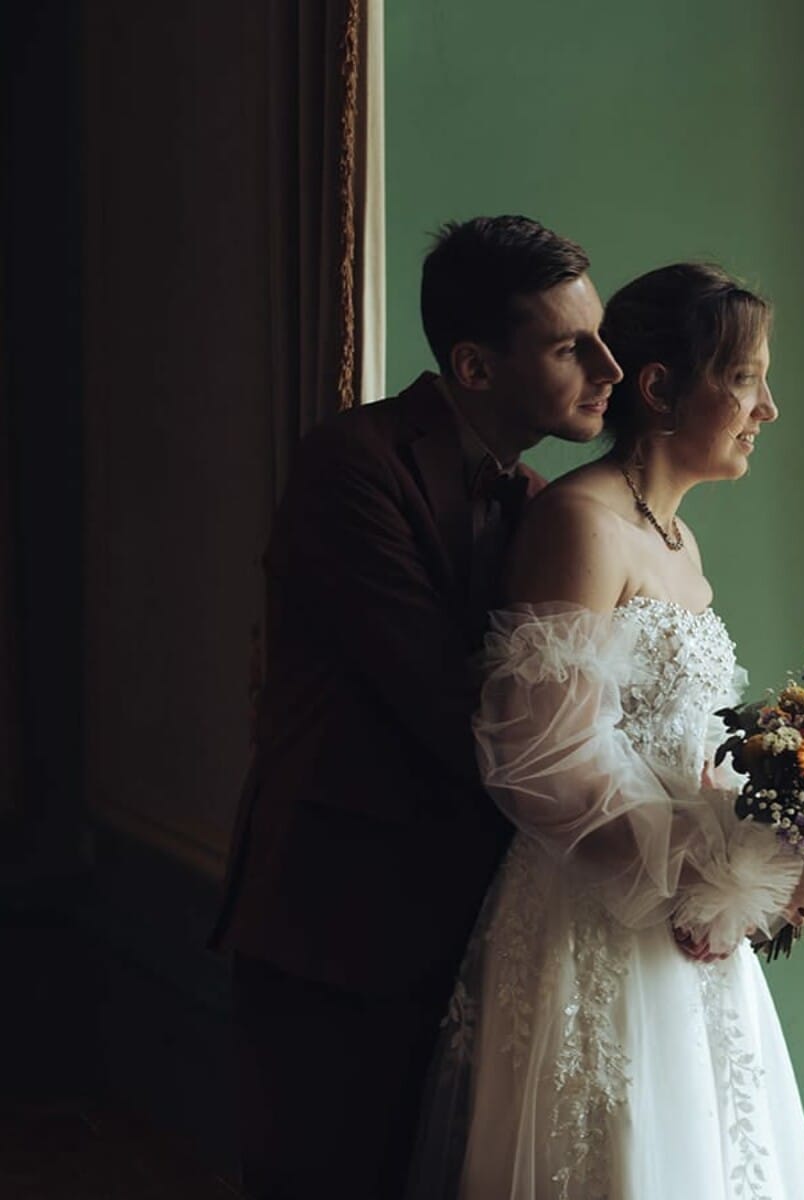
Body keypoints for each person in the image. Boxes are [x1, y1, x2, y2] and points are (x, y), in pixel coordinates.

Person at [208, 216, 624, 1199]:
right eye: (572, 346)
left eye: (601, 335)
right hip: (336, 922)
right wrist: (631, 834)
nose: (609, 364)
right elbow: (445, 702)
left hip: (472, 920)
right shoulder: (351, 465)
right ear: (475, 367)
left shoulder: (538, 500)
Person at [408, 263, 804, 1199]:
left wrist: (775, 839)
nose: (768, 408)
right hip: (595, 913)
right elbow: (540, 754)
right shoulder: (579, 522)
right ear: (660, 387)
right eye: (747, 378)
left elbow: (679, 748)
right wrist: (694, 878)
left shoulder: (680, 542)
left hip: (680, 910)